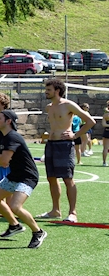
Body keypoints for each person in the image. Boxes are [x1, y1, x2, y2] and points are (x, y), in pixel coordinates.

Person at [0, 110, 47, 248]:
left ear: (8, 121)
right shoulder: (4, 137)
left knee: (15, 206)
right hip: (15, 174)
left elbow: (3, 161)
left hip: (27, 177)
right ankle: (14, 225)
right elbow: (4, 161)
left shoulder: (12, 137)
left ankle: (38, 232)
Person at [38, 78, 95, 223]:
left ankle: (72, 213)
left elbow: (90, 121)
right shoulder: (49, 107)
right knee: (51, 178)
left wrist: (75, 135)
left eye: (49, 89)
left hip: (65, 145)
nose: (46, 92)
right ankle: (55, 210)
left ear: (57, 91)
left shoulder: (68, 105)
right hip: (51, 144)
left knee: (68, 179)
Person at [103, 101, 109, 167]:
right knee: (105, 148)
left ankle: (104, 162)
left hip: (107, 131)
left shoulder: (105, 115)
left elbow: (104, 124)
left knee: (105, 148)